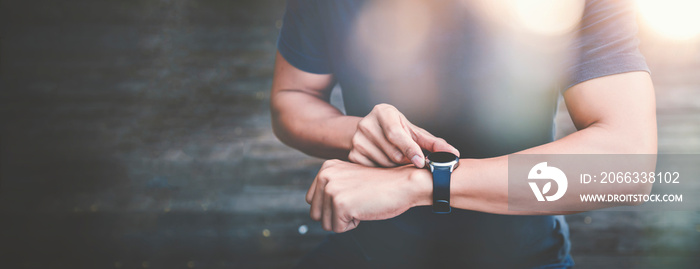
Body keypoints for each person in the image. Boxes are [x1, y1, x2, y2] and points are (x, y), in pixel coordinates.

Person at [270, 0, 656, 268]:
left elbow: (627, 161)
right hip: (366, 253)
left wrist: (420, 184)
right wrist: (357, 132)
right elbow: (293, 96)